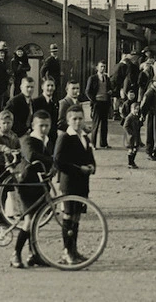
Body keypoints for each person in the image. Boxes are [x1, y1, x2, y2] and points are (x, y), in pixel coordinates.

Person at [53, 105, 96, 265]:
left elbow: (89, 156)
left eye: (80, 118)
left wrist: (92, 166)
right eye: (74, 119)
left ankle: (74, 250)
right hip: (69, 184)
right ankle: (66, 252)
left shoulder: (84, 137)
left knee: (77, 218)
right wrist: (79, 168)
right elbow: (58, 161)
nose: (77, 122)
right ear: (68, 120)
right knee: (68, 216)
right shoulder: (65, 137)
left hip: (82, 183)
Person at [11, 110, 54, 269]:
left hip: (39, 184)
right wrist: (52, 160)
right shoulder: (27, 140)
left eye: (47, 126)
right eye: (40, 126)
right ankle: (15, 254)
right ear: (33, 126)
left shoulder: (47, 139)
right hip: (26, 183)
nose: (44, 129)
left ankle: (33, 255)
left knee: (36, 221)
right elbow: (32, 156)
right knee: (28, 221)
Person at [85, 60, 112, 148]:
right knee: (95, 124)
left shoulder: (107, 78)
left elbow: (110, 88)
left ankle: (103, 143)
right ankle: (93, 143)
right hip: (97, 103)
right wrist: (93, 100)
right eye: (101, 66)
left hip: (105, 103)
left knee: (104, 124)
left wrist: (110, 92)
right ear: (97, 68)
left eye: (104, 66)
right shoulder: (92, 78)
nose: (103, 68)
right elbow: (88, 91)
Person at [33, 77, 60, 155]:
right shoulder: (36, 102)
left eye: (52, 85)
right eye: (48, 85)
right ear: (42, 87)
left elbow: (55, 121)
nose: (50, 88)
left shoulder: (55, 102)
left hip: (52, 137)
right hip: (40, 136)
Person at [123, 102, 142, 169]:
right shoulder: (129, 117)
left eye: (137, 109)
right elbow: (125, 126)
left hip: (136, 136)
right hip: (130, 137)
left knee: (135, 148)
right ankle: (130, 163)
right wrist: (131, 133)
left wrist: (140, 121)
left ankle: (132, 162)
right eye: (135, 109)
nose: (136, 110)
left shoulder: (136, 116)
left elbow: (139, 126)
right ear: (131, 109)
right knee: (131, 149)